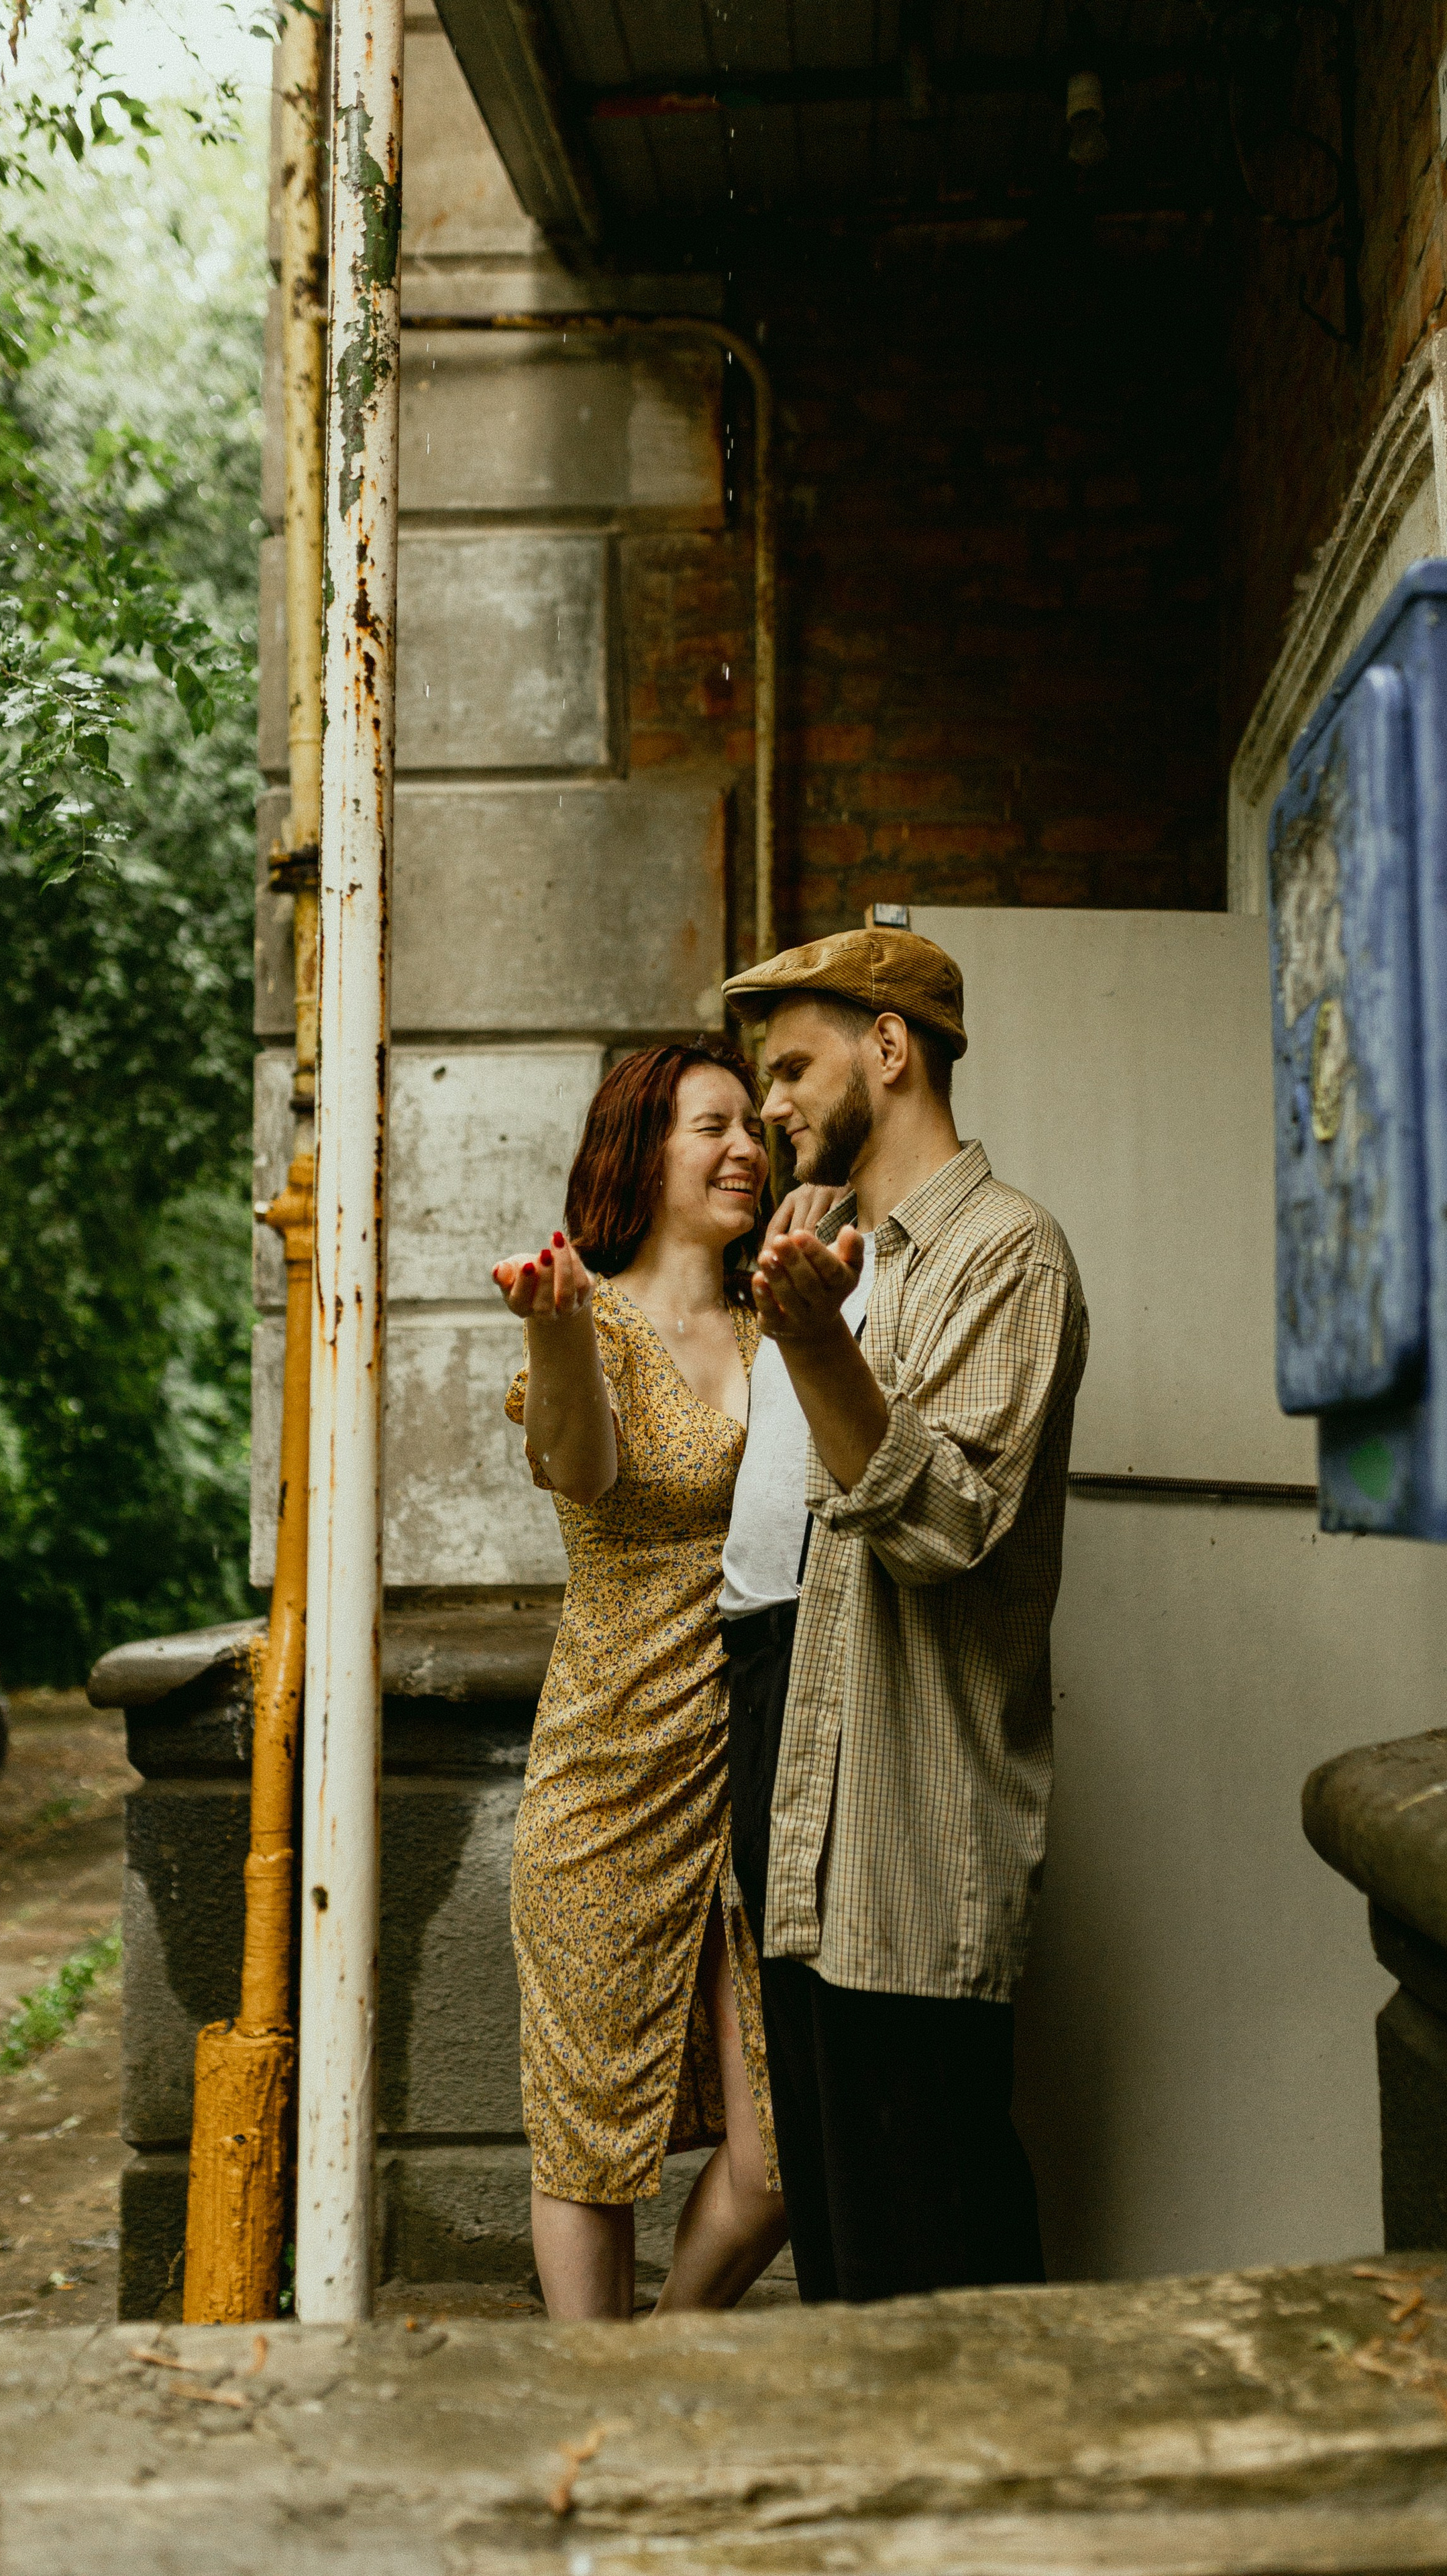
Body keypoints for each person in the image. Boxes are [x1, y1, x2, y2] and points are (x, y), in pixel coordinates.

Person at [718, 926, 1089, 2306]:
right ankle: (883, 2503)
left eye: (793, 1065)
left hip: (906, 1820)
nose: (771, 1102)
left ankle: (998, 2508)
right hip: (796, 1786)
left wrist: (812, 1343)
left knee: (937, 2235)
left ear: (890, 1047)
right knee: (843, 2240)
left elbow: (940, 1530)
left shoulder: (1005, 1252)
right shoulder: (837, 1257)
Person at [492, 1042, 788, 2320]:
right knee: (592, 2140)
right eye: (710, 1125)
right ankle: (594, 2408)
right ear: (641, 1152)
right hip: (608, 1782)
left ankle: (663, 2358)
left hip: (762, 1782)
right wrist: (556, 1332)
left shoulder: (787, 1326)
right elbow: (581, 1465)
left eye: (752, 1127)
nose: (745, 1148)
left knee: (781, 2155)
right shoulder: (593, 1319)